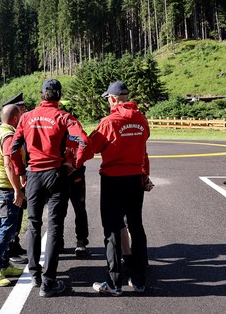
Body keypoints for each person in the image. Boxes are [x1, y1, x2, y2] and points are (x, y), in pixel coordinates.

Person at [10, 79, 91, 298]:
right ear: (58, 96)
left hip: (34, 175)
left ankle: (35, 275)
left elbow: (13, 148)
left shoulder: (26, 117)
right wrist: (75, 164)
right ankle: (49, 282)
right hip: (56, 174)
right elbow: (83, 141)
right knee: (55, 226)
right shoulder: (64, 117)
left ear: (42, 94)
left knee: (34, 225)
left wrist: (21, 172)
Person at [87, 81, 152, 296]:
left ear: (114, 98)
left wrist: (71, 160)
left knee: (112, 230)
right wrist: (145, 175)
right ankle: (139, 280)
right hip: (135, 179)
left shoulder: (109, 122)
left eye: (108, 98)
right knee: (136, 226)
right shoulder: (142, 119)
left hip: (113, 180)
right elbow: (143, 149)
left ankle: (114, 283)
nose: (108, 101)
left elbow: (90, 147)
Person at [0, 104, 27, 287]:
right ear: (16, 119)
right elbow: (9, 165)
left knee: (5, 226)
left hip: (0, 184)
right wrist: (17, 189)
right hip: (7, 188)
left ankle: (3, 264)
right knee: (7, 228)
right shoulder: (9, 135)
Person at [63, 140, 90, 258]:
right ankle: (58, 240)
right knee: (58, 210)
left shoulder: (75, 128)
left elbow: (86, 146)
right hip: (58, 173)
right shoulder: (53, 126)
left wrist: (75, 164)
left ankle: (81, 240)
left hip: (75, 173)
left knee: (79, 209)